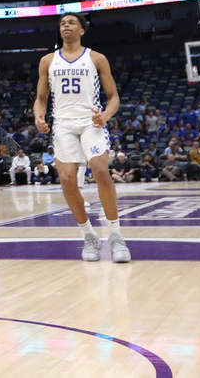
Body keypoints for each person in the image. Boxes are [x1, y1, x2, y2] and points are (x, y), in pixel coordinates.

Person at [34, 13, 129, 263]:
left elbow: (114, 96)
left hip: (91, 121)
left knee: (99, 170)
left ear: (82, 30)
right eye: (62, 23)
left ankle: (116, 236)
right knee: (66, 179)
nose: (66, 25)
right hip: (63, 124)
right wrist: (39, 116)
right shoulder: (47, 60)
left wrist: (106, 115)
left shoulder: (96, 58)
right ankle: (88, 236)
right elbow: (41, 99)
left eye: (71, 22)